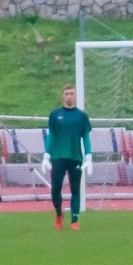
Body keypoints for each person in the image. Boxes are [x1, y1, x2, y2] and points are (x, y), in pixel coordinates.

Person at [42, 83, 92, 231]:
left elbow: (86, 137)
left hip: (75, 157)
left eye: (72, 93)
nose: (69, 96)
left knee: (75, 189)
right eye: (67, 93)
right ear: (62, 95)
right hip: (58, 157)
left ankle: (74, 221)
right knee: (55, 189)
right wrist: (46, 155)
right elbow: (51, 136)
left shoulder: (82, 116)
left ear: (75, 95)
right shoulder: (55, 115)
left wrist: (88, 157)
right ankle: (59, 213)